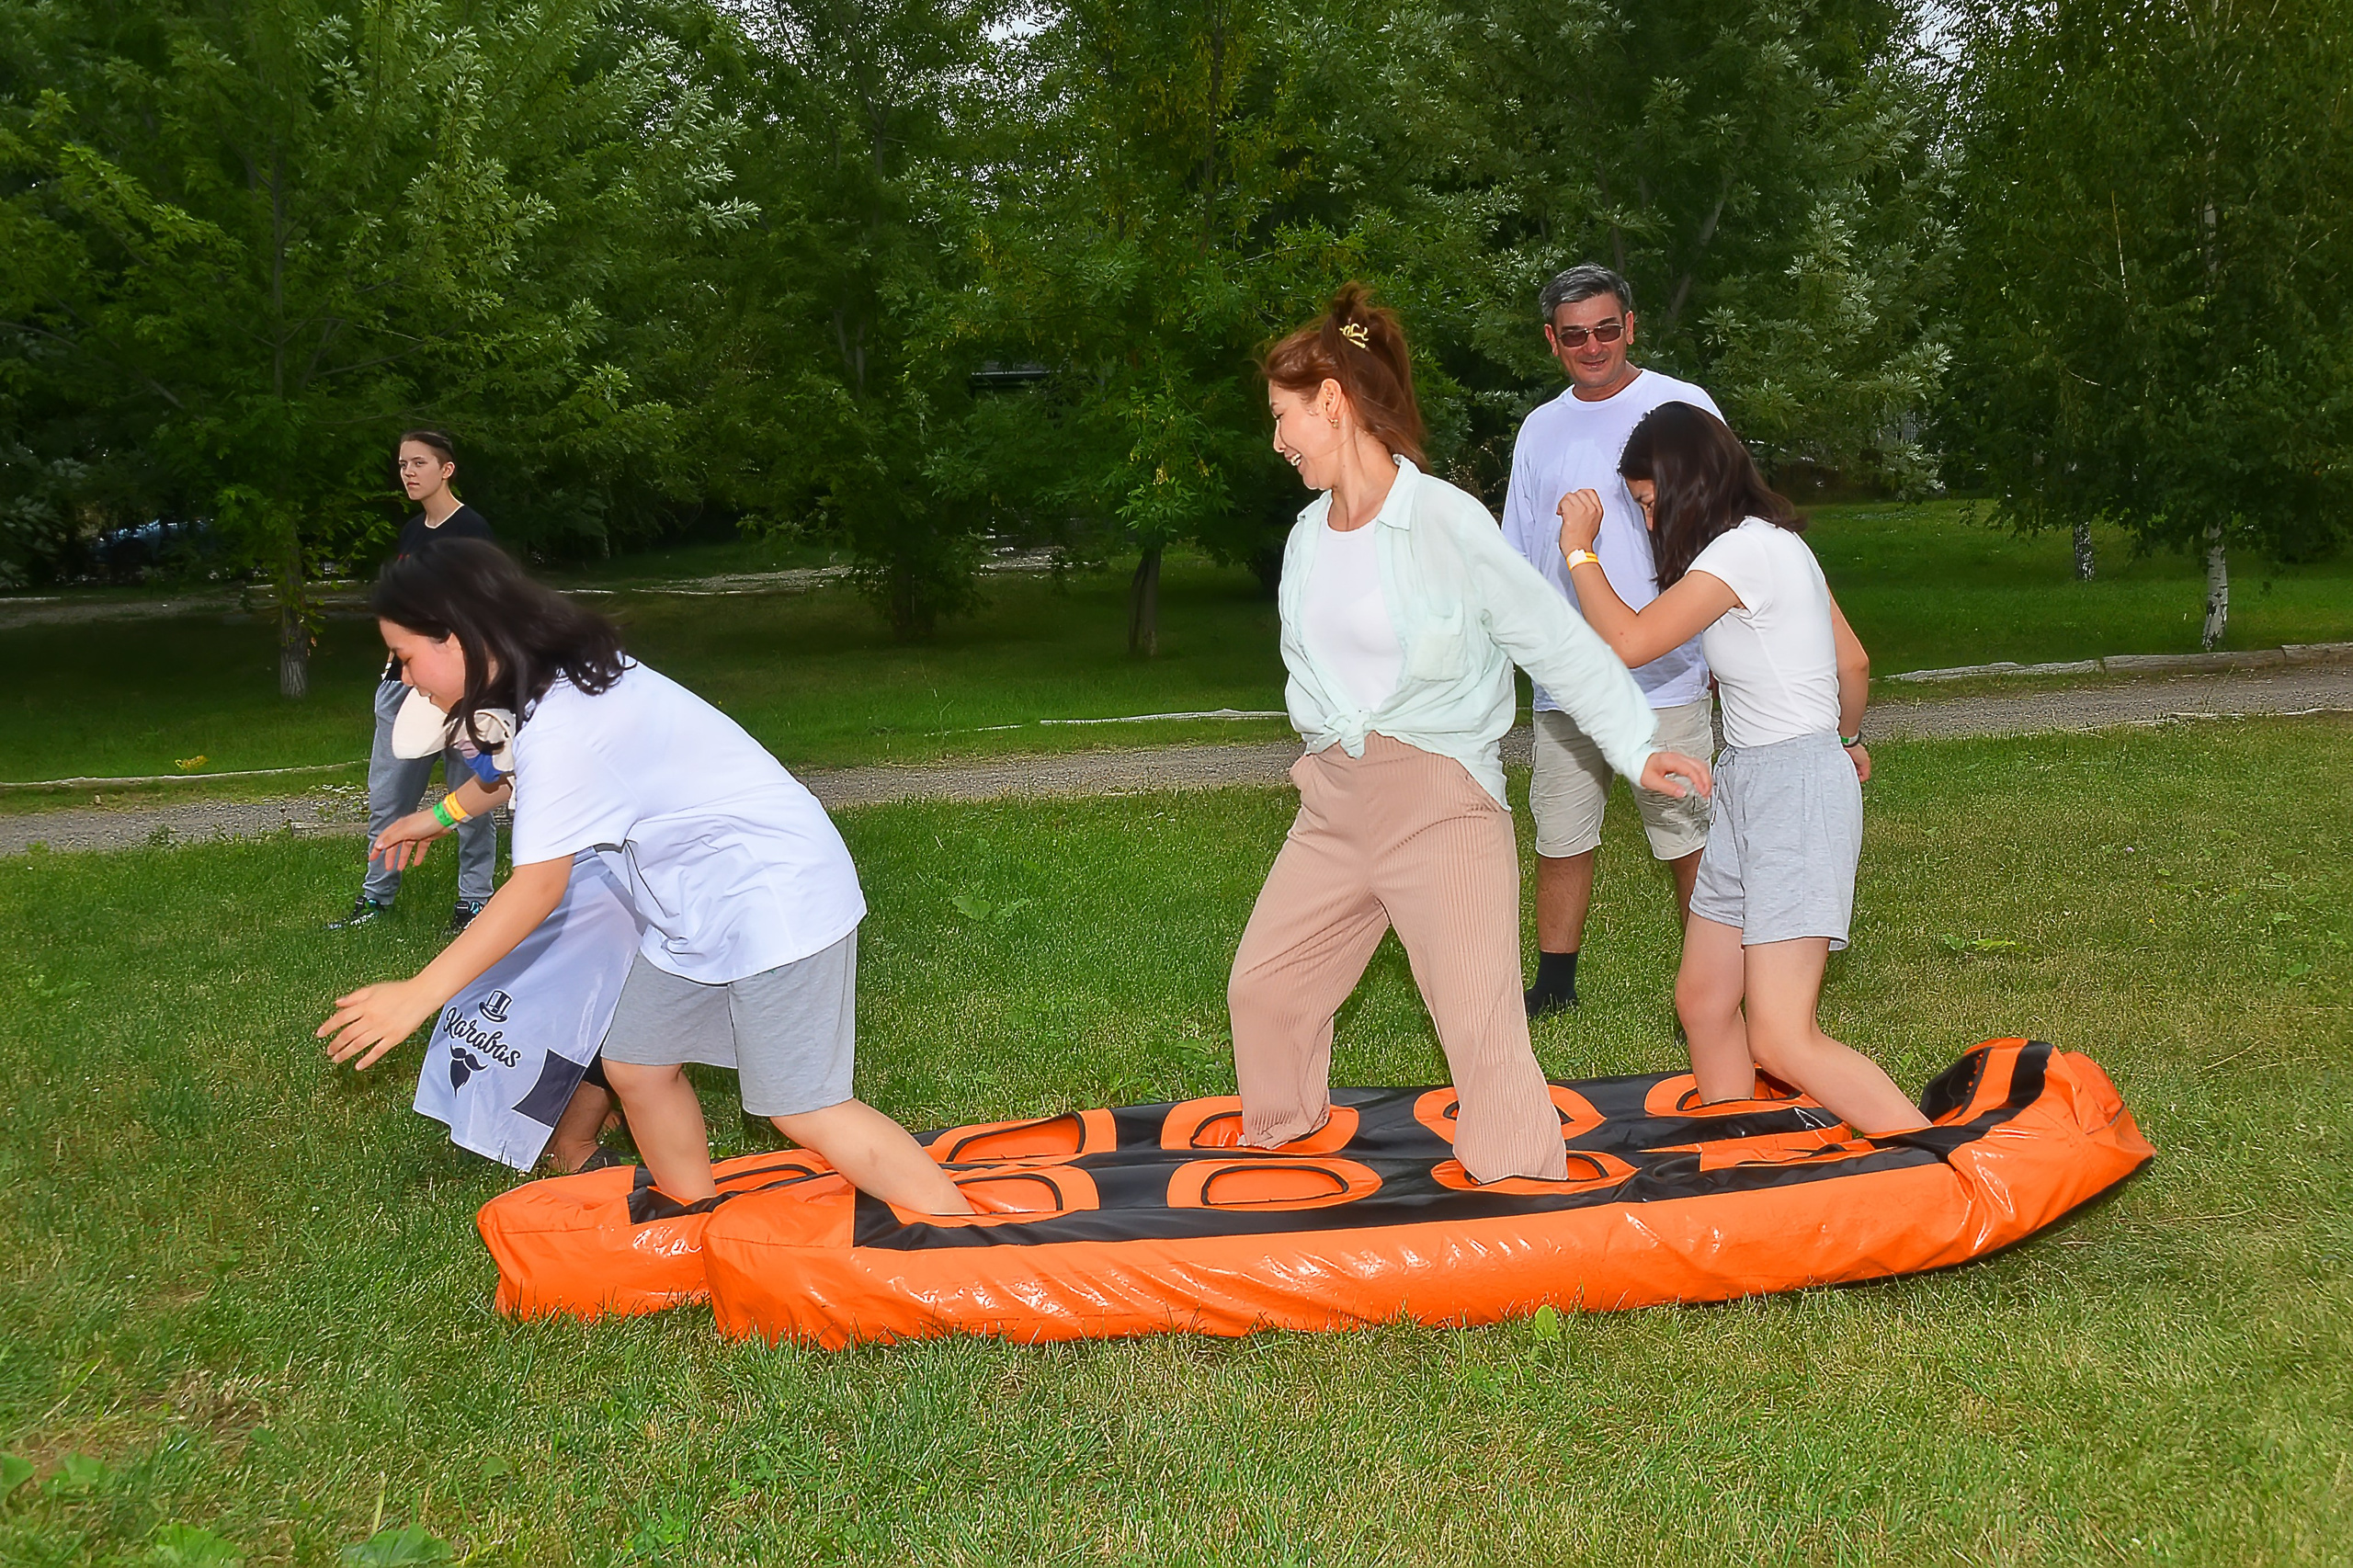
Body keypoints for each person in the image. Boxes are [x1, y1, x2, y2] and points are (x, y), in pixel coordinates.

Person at [316, 540, 972, 1213]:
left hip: (775, 900)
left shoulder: (563, 723)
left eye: (403, 656)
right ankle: (695, 1219)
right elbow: (510, 771)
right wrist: (440, 816)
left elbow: (536, 888)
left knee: (805, 1107)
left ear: (455, 637)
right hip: (695, 908)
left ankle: (959, 1234)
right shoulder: (544, 684)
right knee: (637, 1064)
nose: (403, 677)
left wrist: (419, 995)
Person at [1229, 285, 1713, 1185]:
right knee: (1264, 988)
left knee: (1480, 1025)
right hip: (1333, 804)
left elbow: (1553, 636)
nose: (1278, 439)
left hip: (1439, 804)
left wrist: (1636, 745)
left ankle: (1521, 1183)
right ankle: (1285, 1145)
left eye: (1282, 417)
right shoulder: (1305, 537)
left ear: (1330, 402)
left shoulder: (1444, 521)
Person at [1554, 401, 1928, 1134]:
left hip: (1790, 789)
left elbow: (1630, 643)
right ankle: (1741, 1158)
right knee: (1703, 1002)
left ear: (1688, 485)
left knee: (1782, 1038)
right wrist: (1846, 739)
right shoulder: (1776, 544)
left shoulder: (1741, 553)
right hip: (1751, 781)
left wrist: (1578, 550)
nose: (1651, 523)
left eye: (1651, 504)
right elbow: (1852, 661)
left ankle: (1943, 1164)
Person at [1501, 266, 1727, 1017]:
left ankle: (1713, 988)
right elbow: (1517, 552)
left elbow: (1727, 532)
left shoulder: (1681, 406)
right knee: (1560, 832)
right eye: (1575, 336)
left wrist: (1719, 646)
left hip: (1666, 670)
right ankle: (1553, 988)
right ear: (1552, 341)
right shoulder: (1540, 428)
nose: (1592, 346)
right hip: (1567, 676)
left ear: (1630, 325)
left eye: (1605, 329)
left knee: (1686, 833)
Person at [334, 430, 499, 934]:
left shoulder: (471, 530)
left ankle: (474, 902)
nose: (408, 473)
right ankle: (375, 898)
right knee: (388, 797)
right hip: (403, 684)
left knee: (472, 795)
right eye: (403, 464)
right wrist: (395, 662)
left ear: (447, 470)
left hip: (457, 687)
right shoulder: (410, 532)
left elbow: (483, 609)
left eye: (419, 463)